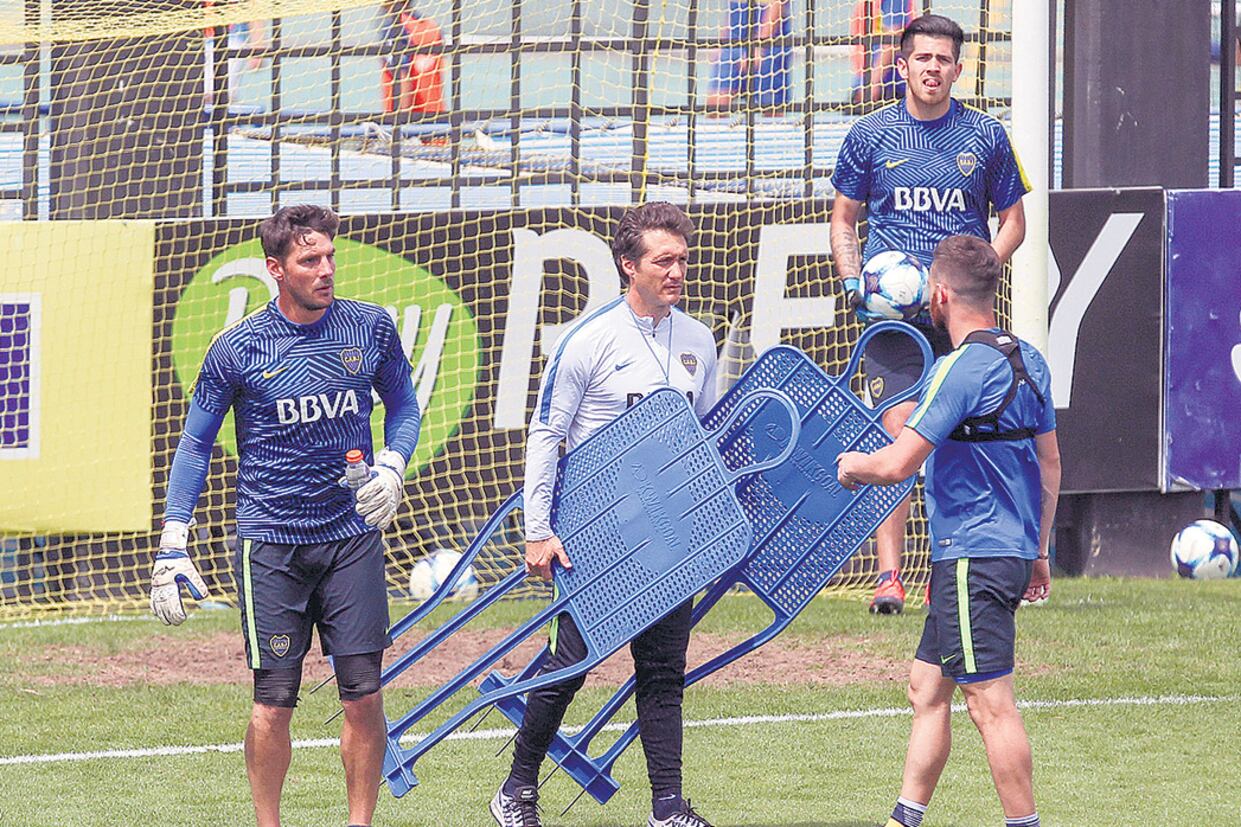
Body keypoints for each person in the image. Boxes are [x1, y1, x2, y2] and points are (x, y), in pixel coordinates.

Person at [148, 204, 421, 827]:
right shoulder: (239, 349)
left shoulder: (370, 328)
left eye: (329, 257)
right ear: (276, 269)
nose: (326, 270)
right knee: (273, 703)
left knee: (365, 697)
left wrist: (393, 464)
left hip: (351, 538)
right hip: (271, 542)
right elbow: (194, 444)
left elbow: (403, 404)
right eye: (309, 261)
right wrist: (172, 540)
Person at [490, 202, 718, 827]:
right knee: (572, 661)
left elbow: (708, 440)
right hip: (599, 533)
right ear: (628, 265)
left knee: (664, 671)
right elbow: (546, 434)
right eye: (662, 261)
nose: (676, 272)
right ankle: (516, 790)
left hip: (669, 536)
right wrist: (538, 530)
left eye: (682, 260)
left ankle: (668, 807)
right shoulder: (589, 340)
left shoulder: (699, 340)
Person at [836, 235, 1060, 827]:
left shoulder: (956, 369)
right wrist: (1038, 551)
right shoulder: (1029, 358)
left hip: (970, 556)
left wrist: (851, 466)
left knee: (990, 703)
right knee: (926, 689)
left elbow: (897, 465)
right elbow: (1052, 465)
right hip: (1004, 551)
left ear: (935, 295)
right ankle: (903, 820)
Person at [830, 13, 1031, 614]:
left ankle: (952, 566)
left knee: (962, 439)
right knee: (894, 432)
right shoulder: (869, 136)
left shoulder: (987, 137)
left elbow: (1015, 223)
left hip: (961, 319)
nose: (933, 68)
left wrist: (970, 280)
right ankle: (889, 579)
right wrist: (851, 280)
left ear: (959, 69)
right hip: (893, 321)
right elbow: (844, 219)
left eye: (944, 59)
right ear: (903, 65)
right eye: (923, 58)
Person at [705, 0, 790, 112]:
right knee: (715, 104)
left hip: (767, 36)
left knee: (771, 106)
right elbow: (730, 11)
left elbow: (777, 5)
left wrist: (759, 46)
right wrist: (721, 43)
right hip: (735, 33)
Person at [381, 1, 445, 113]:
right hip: (436, 115)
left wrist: (401, 119)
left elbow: (402, 76)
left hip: (410, 118)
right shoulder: (432, 26)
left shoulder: (395, 27)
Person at [850, 0, 916, 105]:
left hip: (886, 84)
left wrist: (873, 84)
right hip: (866, 79)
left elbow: (893, 38)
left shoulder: (893, 3)